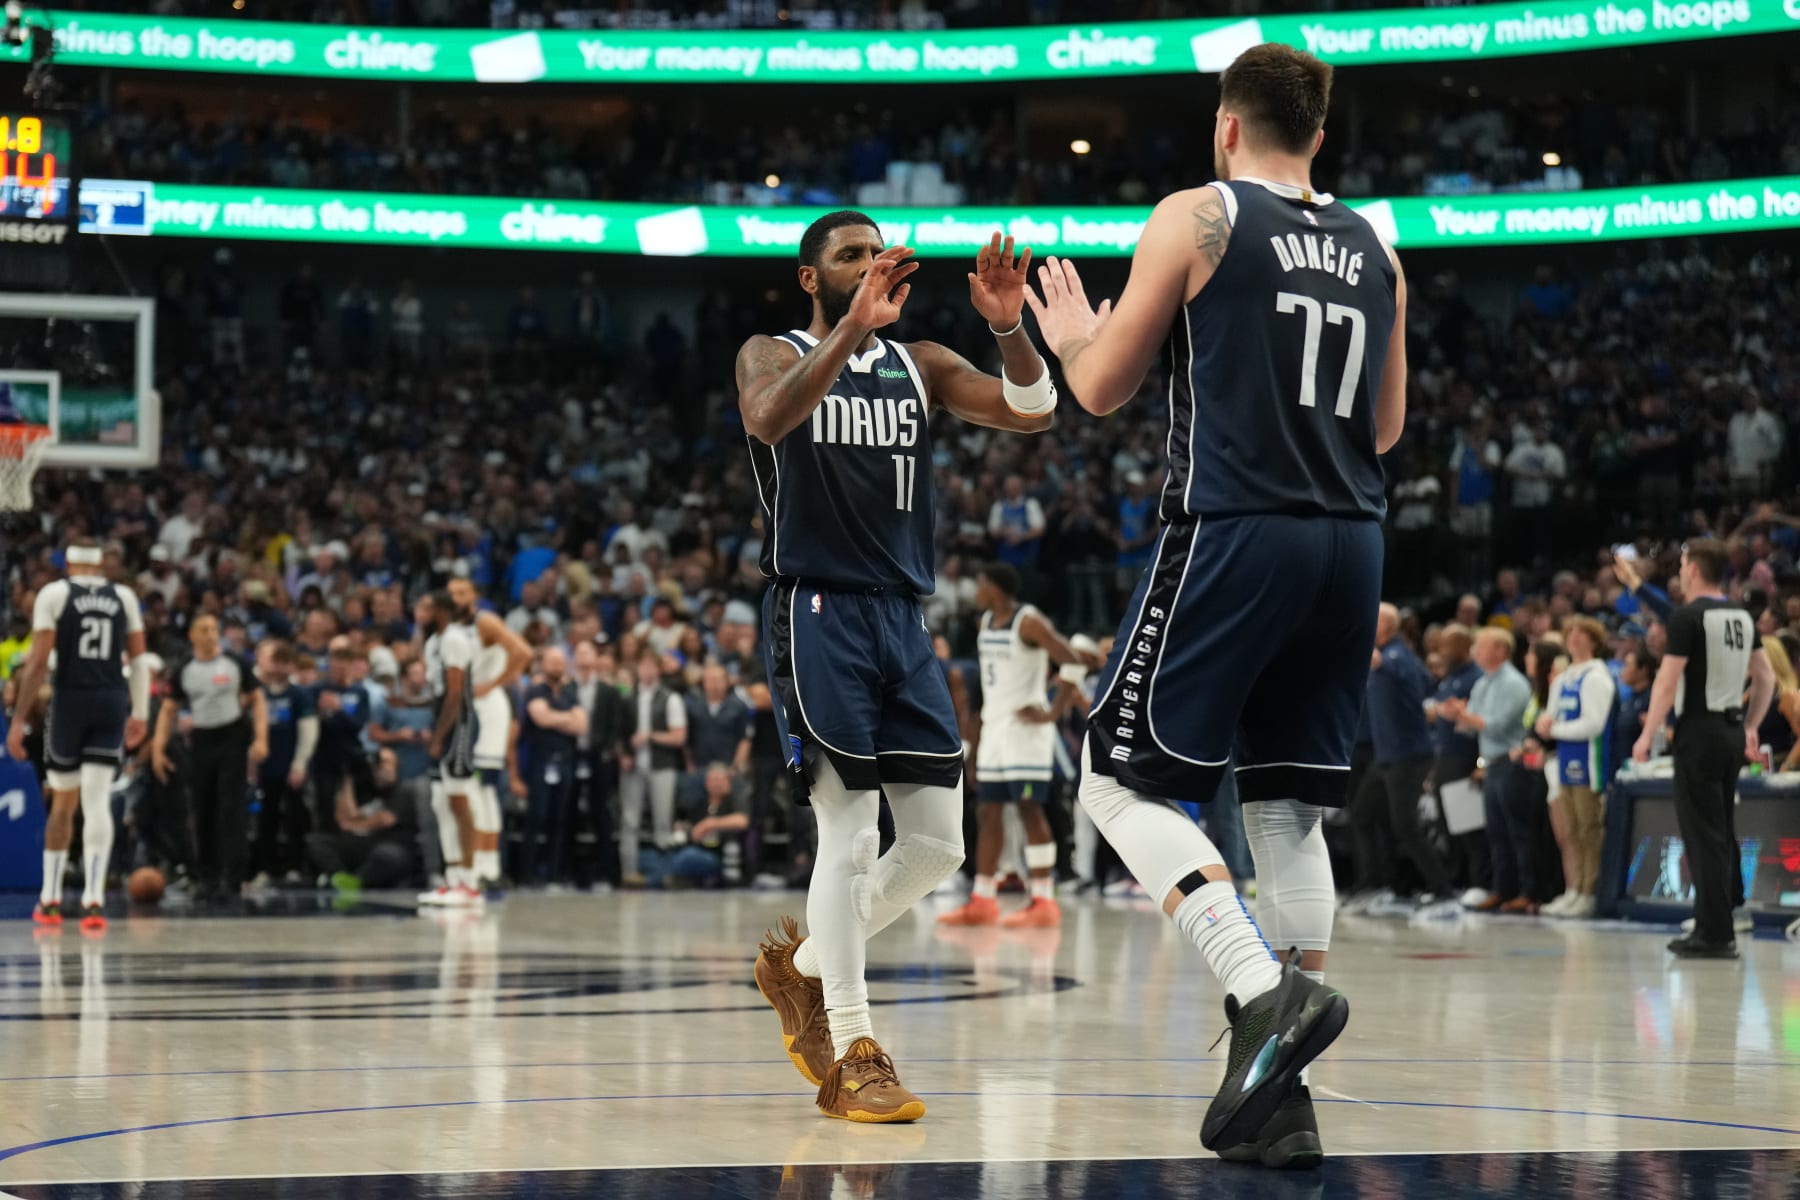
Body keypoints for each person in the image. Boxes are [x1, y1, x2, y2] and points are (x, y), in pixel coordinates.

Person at [1025, 42, 1402, 1164]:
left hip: (1240, 529)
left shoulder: (1198, 215)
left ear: (1228, 124)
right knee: (1287, 812)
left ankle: (1259, 992)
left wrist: (1063, 334)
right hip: (1354, 544)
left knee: (1115, 777)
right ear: (1319, 134)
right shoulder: (1376, 244)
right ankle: (1281, 1101)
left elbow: (1099, 387)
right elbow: (1383, 429)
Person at [739, 210, 1056, 1124]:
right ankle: (853, 1050)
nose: (872, 265)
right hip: (818, 607)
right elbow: (768, 418)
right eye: (850, 256)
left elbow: (1034, 411)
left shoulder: (919, 363)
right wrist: (850, 328)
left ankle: (798, 971)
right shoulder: (771, 349)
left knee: (939, 847)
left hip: (903, 618)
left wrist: (1006, 327)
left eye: (879, 253)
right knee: (851, 836)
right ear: (812, 277)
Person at [1633, 539, 1775, 959]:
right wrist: (1749, 725)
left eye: (1681, 565)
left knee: (1703, 834)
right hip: (1731, 730)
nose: (1679, 572)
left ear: (1693, 570)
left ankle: (1714, 932)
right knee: (1719, 830)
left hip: (1698, 731)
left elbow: (1666, 682)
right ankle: (1723, 918)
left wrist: (1647, 736)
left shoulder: (1688, 617)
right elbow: (1766, 679)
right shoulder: (1741, 616)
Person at [940, 562, 1096, 929]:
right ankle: (983, 899)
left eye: (978, 583)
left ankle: (1043, 900)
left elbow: (1071, 661)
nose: (975, 591)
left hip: (1026, 731)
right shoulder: (984, 624)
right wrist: (976, 749)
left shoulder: (1027, 621)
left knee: (1029, 810)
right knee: (988, 811)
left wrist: (1052, 711)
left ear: (993, 587)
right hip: (995, 729)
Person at [8, 541, 150, 931]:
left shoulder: (54, 594)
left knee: (64, 803)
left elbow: (38, 660)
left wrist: (19, 720)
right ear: (101, 564)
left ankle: (50, 898)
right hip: (111, 698)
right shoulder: (123, 595)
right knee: (98, 800)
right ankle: (93, 901)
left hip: (70, 700)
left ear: (69, 563)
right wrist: (140, 713)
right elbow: (138, 660)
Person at [153, 614, 267, 904]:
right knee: (203, 809)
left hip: (232, 736)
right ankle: (208, 877)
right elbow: (168, 709)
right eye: (203, 630)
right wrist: (157, 749)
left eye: (214, 629)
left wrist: (261, 738)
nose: (210, 635)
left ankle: (233, 878)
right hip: (202, 741)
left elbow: (257, 697)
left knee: (232, 808)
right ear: (192, 635)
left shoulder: (234, 662)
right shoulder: (184, 668)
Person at [450, 576, 532, 891]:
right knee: (472, 791)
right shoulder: (454, 629)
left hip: (488, 707)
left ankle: (488, 865)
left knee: (483, 788)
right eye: (451, 592)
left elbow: (523, 652)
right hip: (469, 708)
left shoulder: (486, 621)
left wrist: (494, 683)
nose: (455, 597)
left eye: (461, 592)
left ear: (474, 595)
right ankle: (482, 865)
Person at [1447, 627, 1536, 912]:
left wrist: (1465, 716)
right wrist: (1458, 716)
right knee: (1497, 833)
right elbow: (1471, 728)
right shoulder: (1483, 683)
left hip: (1512, 763)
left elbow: (1496, 725)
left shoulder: (1513, 683)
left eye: (1482, 646)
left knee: (1518, 831)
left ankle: (1528, 891)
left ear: (1501, 650)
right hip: (1492, 764)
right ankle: (1502, 888)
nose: (1476, 651)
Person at [1535, 617, 1617, 919]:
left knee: (1588, 828)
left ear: (1594, 640)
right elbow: (1549, 716)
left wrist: (1553, 730)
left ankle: (1589, 890)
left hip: (1588, 762)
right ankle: (1573, 889)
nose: (1575, 638)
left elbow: (1593, 724)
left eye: (1582, 633)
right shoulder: (1565, 677)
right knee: (1570, 830)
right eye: (1571, 633)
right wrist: (1544, 724)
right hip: (1564, 761)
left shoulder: (1596, 676)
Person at [416, 590, 484, 908]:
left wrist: (438, 736)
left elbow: (455, 695)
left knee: (459, 801)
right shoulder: (433, 643)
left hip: (459, 724)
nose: (419, 612)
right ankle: (453, 876)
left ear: (441, 611)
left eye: (425, 606)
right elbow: (438, 691)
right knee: (441, 802)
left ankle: (470, 881)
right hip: (443, 722)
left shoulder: (454, 639)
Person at [251, 639, 318, 886]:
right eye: (275, 662)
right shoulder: (258, 693)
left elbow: (309, 731)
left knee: (295, 819)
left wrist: (300, 764)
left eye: (284, 663)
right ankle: (266, 868)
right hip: (265, 767)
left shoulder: (299, 694)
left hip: (290, 767)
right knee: (265, 820)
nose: (279, 668)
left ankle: (295, 866)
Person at [518, 647, 587, 886]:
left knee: (560, 819)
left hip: (566, 760)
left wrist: (555, 718)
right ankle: (527, 873)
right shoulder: (535, 690)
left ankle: (555, 873)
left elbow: (581, 725)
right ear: (543, 664)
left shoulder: (570, 691)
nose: (557, 667)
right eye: (552, 662)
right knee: (537, 817)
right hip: (540, 761)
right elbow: (541, 719)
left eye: (560, 662)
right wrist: (566, 717)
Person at [621, 650, 686, 886]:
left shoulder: (670, 698)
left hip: (662, 766)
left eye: (651, 666)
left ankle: (664, 874)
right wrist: (623, 754)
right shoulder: (628, 699)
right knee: (630, 821)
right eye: (643, 666)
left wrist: (650, 736)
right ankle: (628, 873)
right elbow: (619, 732)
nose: (647, 671)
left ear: (658, 670)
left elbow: (679, 737)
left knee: (662, 820)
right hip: (633, 767)